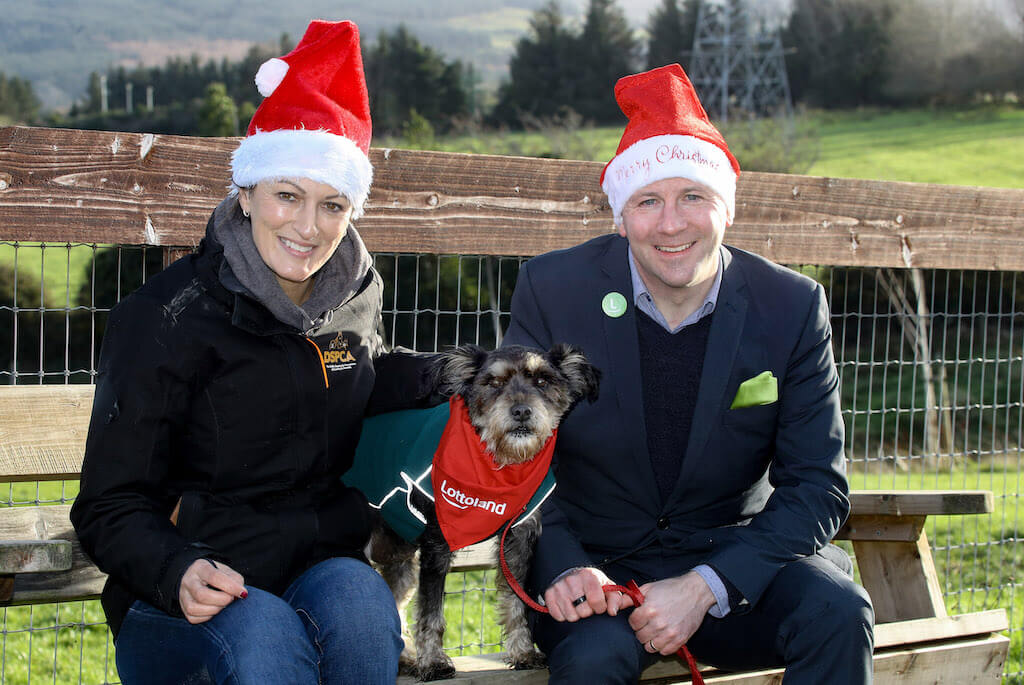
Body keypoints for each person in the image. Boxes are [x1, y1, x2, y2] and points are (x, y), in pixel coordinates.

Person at [70, 20, 426, 684]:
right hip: (183, 589)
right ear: (247, 191)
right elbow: (106, 505)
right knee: (265, 637)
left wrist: (453, 375)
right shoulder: (165, 317)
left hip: (316, 563)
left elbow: (370, 379)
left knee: (362, 608)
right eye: (287, 194)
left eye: (332, 204)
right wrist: (174, 568)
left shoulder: (357, 293)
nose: (308, 226)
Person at [501, 64, 874, 684]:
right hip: (596, 577)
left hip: (735, 564)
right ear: (621, 217)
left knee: (838, 610)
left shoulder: (791, 306)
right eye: (648, 201)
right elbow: (515, 450)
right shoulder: (552, 290)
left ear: (726, 207)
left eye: (692, 197)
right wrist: (565, 564)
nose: (671, 224)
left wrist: (706, 585)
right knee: (593, 660)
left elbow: (818, 486)